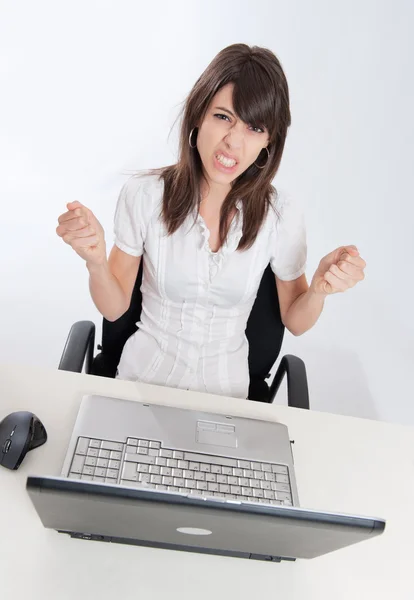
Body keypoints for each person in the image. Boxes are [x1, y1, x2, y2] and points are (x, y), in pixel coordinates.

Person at [56, 43, 366, 400]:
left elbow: (296, 321)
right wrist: (96, 261)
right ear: (199, 115)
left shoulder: (281, 215)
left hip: (227, 400)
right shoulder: (144, 195)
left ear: (269, 142)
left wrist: (318, 291)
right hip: (141, 386)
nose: (233, 142)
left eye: (254, 127)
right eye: (223, 117)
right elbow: (114, 307)